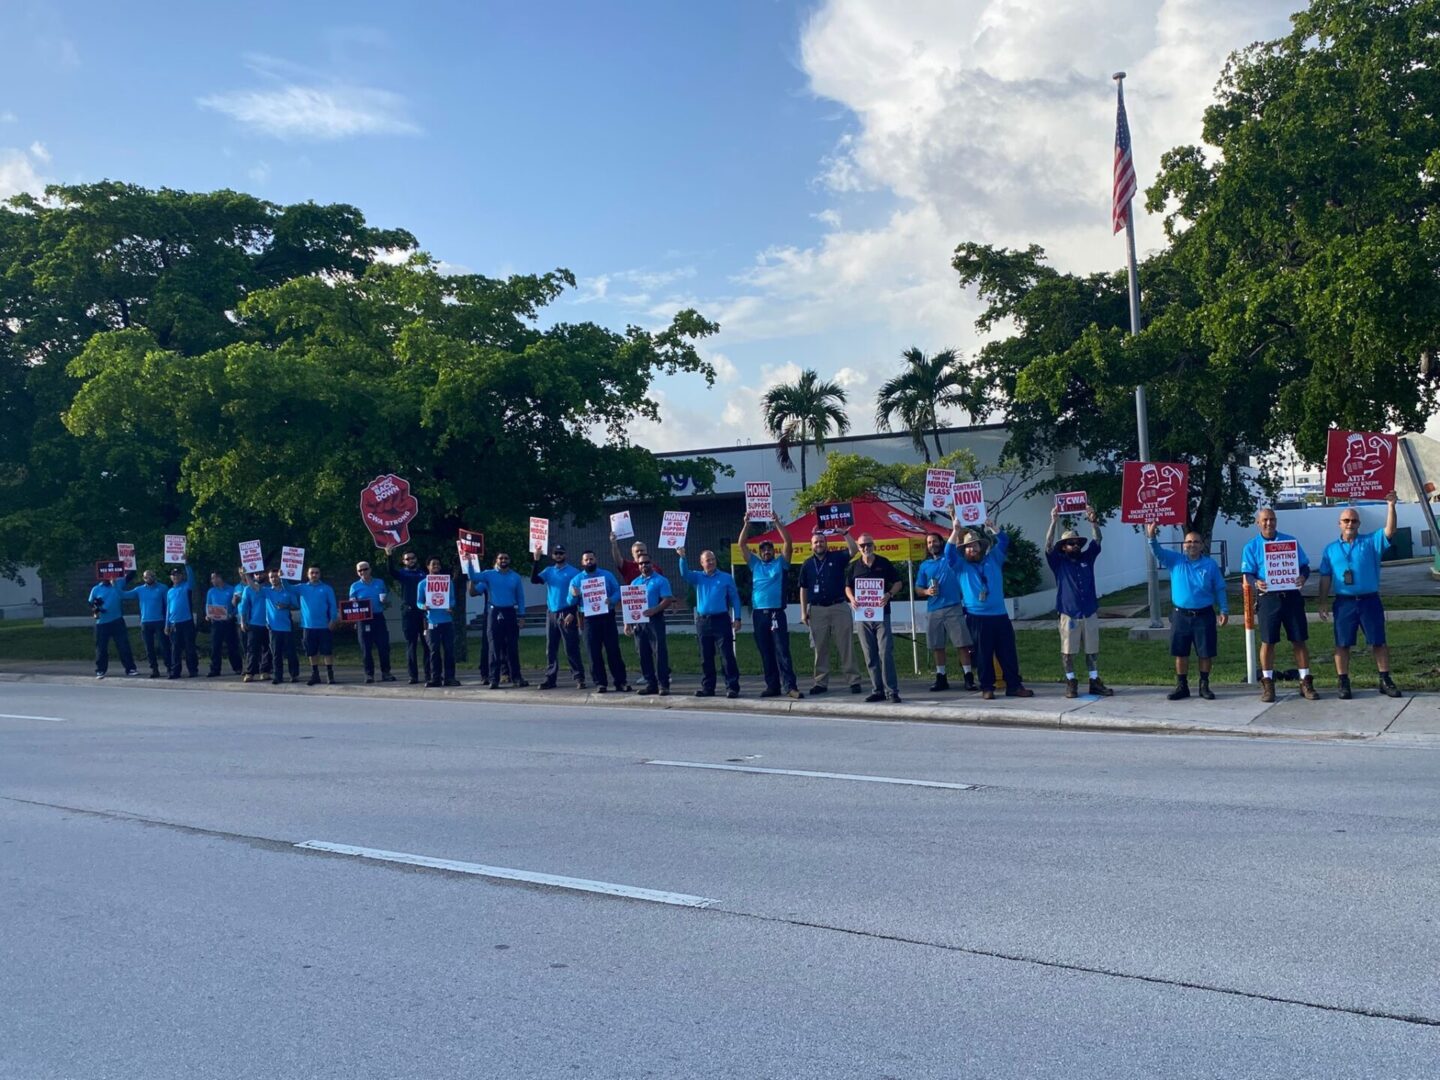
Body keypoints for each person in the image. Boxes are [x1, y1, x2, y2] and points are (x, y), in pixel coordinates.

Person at [1317, 492, 1402, 700]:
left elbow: (1389, 531)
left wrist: (1390, 505)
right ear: (1339, 523)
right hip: (1344, 603)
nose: (1350, 524)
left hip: (1369, 600)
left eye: (1354, 520)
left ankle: (1384, 679)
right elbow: (1325, 577)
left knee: (1379, 642)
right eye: (1346, 520)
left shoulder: (1371, 542)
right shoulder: (1330, 550)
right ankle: (1343, 681)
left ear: (1359, 523)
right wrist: (1322, 602)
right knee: (1342, 643)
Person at [951, 512, 1033, 700]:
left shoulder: (994, 559)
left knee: (1008, 653)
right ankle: (987, 687)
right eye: (968, 547)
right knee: (982, 655)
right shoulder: (961, 566)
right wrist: (955, 531)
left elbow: (1004, 541)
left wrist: (992, 526)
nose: (972, 549)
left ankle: (1014, 685)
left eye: (975, 545)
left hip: (1000, 615)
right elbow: (948, 552)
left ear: (981, 546)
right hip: (977, 617)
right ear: (964, 551)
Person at [1241, 508, 1317, 703]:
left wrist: (1302, 576)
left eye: (1272, 519)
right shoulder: (1251, 546)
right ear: (1258, 522)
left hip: (1291, 596)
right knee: (1268, 641)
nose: (1269, 523)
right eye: (1265, 520)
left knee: (1299, 639)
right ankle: (1267, 682)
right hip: (1268, 598)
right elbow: (1247, 573)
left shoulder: (1289, 541)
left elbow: (1304, 566)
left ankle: (1305, 680)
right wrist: (1255, 582)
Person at [1147, 524, 1229, 700]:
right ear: (1184, 545)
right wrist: (1151, 535)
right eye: (1189, 542)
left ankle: (1204, 685)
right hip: (1181, 616)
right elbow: (1157, 551)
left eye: (1196, 542)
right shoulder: (1175, 560)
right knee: (1180, 652)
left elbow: (1220, 588)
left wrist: (1224, 609)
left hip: (1204, 615)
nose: (1192, 544)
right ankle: (1182, 686)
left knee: (1205, 652)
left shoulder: (1210, 565)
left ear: (1202, 545)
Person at [1044, 503, 1112, 698]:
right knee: (1068, 650)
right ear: (1063, 547)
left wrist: (1093, 522)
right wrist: (1053, 522)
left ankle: (1094, 680)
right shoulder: (1058, 562)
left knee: (1092, 648)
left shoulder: (1087, 558)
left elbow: (1097, 540)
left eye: (1076, 543)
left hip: (1089, 609)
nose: (1074, 546)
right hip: (1068, 612)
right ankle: (1071, 681)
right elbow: (1048, 546)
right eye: (1070, 543)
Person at [739, 515, 802, 700]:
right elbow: (742, 544)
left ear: (774, 551)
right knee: (765, 651)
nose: (766, 551)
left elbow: (788, 541)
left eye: (769, 548)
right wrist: (747, 524)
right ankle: (772, 686)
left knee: (782, 650)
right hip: (759, 614)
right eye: (763, 549)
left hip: (776, 613)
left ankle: (790, 686)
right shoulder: (755, 564)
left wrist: (776, 522)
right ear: (760, 552)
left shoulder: (781, 563)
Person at [798, 527, 862, 695]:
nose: (819, 544)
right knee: (820, 648)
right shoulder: (807, 564)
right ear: (811, 545)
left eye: (821, 541)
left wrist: (844, 533)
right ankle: (820, 682)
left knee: (845, 645)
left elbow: (854, 550)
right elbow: (803, 588)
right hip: (817, 609)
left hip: (839, 606)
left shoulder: (837, 557)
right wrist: (803, 611)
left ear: (826, 543)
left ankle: (853, 680)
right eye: (815, 542)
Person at [845, 533, 904, 704]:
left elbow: (898, 582)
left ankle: (892, 691)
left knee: (885, 652)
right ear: (858, 547)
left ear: (874, 545)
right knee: (870, 655)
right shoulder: (854, 566)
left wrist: (889, 594)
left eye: (868, 544)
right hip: (862, 616)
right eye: (862, 546)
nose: (866, 548)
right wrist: (852, 598)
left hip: (882, 614)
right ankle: (877, 690)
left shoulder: (884, 563)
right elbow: (847, 586)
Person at [677, 547, 743, 698]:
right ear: (702, 563)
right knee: (705, 656)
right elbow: (684, 574)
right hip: (703, 621)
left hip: (721, 620)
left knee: (726, 655)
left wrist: (737, 618)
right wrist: (682, 557)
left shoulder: (726, 578)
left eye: (713, 559)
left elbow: (735, 598)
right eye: (708, 560)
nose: (711, 562)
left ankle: (732, 687)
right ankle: (708, 687)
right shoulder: (698, 577)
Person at [915, 531, 975, 692]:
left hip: (953, 606)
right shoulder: (925, 565)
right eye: (928, 542)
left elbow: (956, 542)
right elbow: (918, 588)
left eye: (934, 541)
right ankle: (941, 677)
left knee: (962, 644)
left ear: (941, 542)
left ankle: (968, 677)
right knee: (937, 646)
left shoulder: (950, 558)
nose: (932, 544)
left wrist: (954, 522)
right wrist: (927, 592)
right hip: (934, 609)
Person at [569, 550, 629, 692]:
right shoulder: (576, 580)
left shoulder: (607, 575)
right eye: (586, 560)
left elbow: (617, 591)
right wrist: (573, 595)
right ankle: (600, 683)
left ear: (596, 559)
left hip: (607, 616)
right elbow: (570, 601)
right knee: (593, 652)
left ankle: (620, 681)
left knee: (613, 650)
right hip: (588, 619)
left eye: (591, 559)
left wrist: (612, 599)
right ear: (582, 563)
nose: (589, 561)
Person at [469, 552, 528, 689]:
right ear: (496, 560)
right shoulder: (488, 574)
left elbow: (520, 598)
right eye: (500, 558)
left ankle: (516, 678)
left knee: (512, 647)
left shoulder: (515, 577)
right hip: (494, 611)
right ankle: (493, 679)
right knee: (493, 647)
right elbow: (473, 577)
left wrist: (522, 616)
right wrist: (469, 562)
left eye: (506, 558)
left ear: (509, 560)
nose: (503, 560)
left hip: (510, 612)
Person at [532, 543, 585, 689]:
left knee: (571, 647)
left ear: (565, 555)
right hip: (552, 614)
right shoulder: (548, 571)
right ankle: (550, 678)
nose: (559, 556)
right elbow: (535, 580)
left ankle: (579, 677)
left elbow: (579, 595)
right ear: (552, 555)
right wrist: (536, 560)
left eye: (561, 553)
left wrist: (573, 613)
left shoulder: (574, 572)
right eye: (556, 553)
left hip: (567, 612)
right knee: (551, 648)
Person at [625, 552, 676, 695]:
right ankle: (650, 683)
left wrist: (655, 609)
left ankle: (663, 684)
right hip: (639, 621)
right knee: (642, 653)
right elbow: (629, 604)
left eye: (646, 562)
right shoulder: (635, 582)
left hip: (655, 620)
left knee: (659, 652)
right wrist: (627, 623)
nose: (644, 565)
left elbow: (667, 599)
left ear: (651, 563)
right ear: (638, 565)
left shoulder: (661, 580)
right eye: (641, 563)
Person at [386, 545, 430, 685]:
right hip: (409, 612)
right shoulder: (403, 574)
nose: (410, 560)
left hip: (423, 613)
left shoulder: (424, 574)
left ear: (416, 559)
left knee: (427, 644)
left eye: (412, 558)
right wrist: (389, 556)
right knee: (411, 645)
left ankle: (430, 674)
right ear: (404, 561)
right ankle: (413, 675)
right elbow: (391, 571)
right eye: (407, 559)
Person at [349, 559, 395, 684]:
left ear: (370, 569)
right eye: (360, 570)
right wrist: (353, 603)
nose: (363, 572)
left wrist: (385, 602)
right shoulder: (355, 586)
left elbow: (386, 600)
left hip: (378, 617)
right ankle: (369, 674)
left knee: (383, 647)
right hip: (363, 620)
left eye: (365, 569)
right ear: (357, 572)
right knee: (366, 648)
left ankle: (386, 672)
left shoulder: (379, 582)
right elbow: (352, 603)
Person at [88, 570, 138, 679]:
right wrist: (96, 611)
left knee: (123, 645)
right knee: (101, 647)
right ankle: (100, 670)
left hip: (117, 620)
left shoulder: (118, 583)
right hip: (102, 623)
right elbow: (92, 604)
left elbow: (131, 575)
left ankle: (130, 668)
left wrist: (129, 561)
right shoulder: (96, 589)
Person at [122, 569, 171, 677]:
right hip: (145, 621)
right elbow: (123, 595)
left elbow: (168, 606)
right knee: (149, 648)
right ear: (143, 578)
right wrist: (116, 584)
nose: (148, 578)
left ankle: (169, 667)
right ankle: (154, 669)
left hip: (159, 620)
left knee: (164, 646)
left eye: (150, 576)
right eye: (146, 577)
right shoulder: (139, 590)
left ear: (154, 576)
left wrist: (168, 622)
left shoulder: (162, 588)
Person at [295, 566, 339, 685]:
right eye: (312, 573)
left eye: (316, 573)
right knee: (311, 652)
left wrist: (333, 620)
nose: (314, 575)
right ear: (307, 574)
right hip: (308, 626)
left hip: (324, 626)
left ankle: (330, 675)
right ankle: (315, 675)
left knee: (327, 651)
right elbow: (288, 589)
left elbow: (332, 605)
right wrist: (283, 577)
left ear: (320, 574)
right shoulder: (301, 587)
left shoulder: (326, 588)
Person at [422, 556, 460, 687]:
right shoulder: (423, 583)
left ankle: (450, 677)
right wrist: (423, 606)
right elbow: (418, 601)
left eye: (438, 564)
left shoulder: (448, 582)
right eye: (433, 564)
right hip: (432, 621)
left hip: (447, 621)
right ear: (428, 567)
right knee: (434, 651)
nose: (436, 566)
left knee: (449, 650)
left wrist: (451, 606)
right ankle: (435, 678)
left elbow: (453, 599)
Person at [263, 567, 301, 685]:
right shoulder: (267, 591)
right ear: (269, 580)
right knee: (276, 654)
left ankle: (294, 675)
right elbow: (254, 587)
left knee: (291, 653)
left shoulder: (288, 592)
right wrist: (247, 575)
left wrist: (286, 606)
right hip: (273, 628)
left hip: (287, 627)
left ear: (280, 577)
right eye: (271, 577)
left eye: (276, 576)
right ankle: (278, 676)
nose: (274, 579)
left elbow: (296, 606)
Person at [204, 571, 243, 677]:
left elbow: (236, 606)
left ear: (219, 578)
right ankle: (215, 669)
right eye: (211, 579)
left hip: (228, 621)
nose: (212, 581)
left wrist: (232, 614)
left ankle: (237, 667)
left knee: (232, 646)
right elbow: (208, 605)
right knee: (215, 646)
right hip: (216, 622)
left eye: (214, 578)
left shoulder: (231, 590)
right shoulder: (211, 591)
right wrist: (208, 615)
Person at [164, 566, 199, 679]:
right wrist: (167, 624)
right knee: (175, 649)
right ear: (171, 577)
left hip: (186, 622)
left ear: (182, 576)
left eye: (178, 575)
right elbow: (168, 609)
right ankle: (175, 671)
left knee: (190, 648)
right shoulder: (169, 591)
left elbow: (192, 580)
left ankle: (193, 670)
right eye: (174, 575)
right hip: (174, 623)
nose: (176, 577)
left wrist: (187, 564)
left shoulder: (186, 587)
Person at [236, 574, 268, 683]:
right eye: (256, 574)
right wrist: (242, 621)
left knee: (267, 649)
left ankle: (265, 671)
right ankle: (250, 672)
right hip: (254, 623)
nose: (259, 576)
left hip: (269, 624)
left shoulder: (270, 588)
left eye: (261, 573)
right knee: (252, 649)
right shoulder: (248, 589)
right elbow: (244, 606)